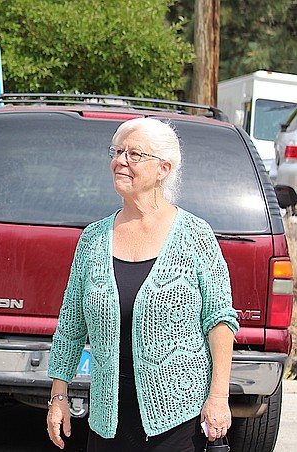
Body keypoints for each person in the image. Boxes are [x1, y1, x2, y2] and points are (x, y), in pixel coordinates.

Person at [46, 117, 239, 451]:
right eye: (117, 152)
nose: (121, 161)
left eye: (134, 155)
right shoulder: (93, 239)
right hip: (108, 419)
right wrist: (58, 396)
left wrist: (218, 397)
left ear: (163, 168)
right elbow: (70, 325)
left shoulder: (195, 236)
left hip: (178, 416)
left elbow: (220, 321)